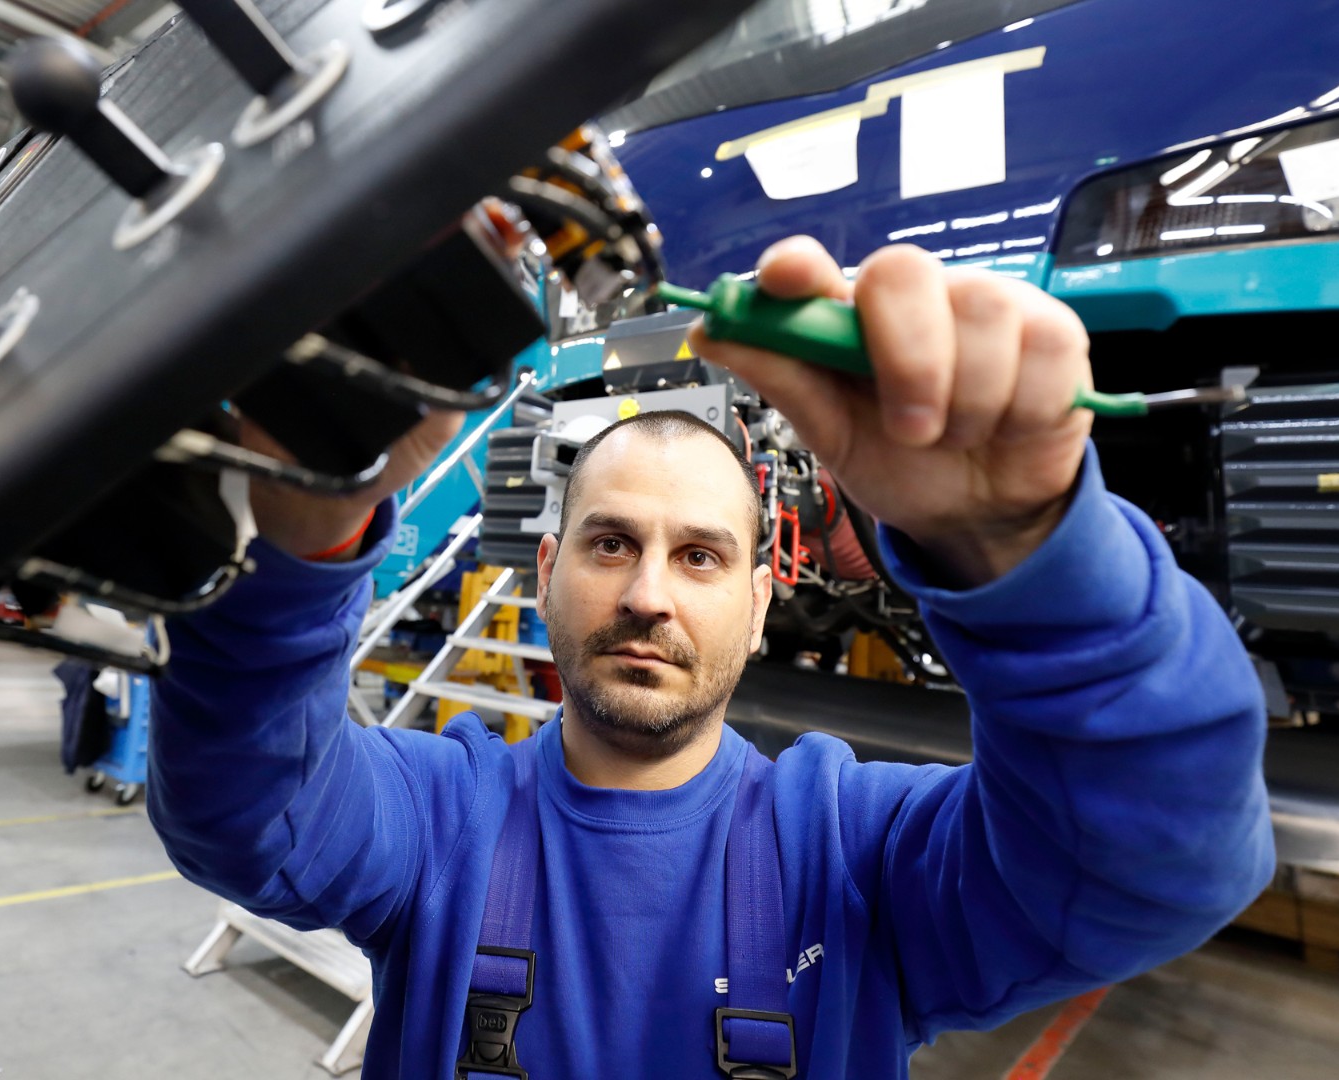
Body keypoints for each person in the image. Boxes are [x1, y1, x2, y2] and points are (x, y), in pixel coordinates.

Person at [147, 237, 1274, 1079]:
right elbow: (249, 811)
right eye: (610, 545)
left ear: (762, 595)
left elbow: (1153, 863)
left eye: (699, 556)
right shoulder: (441, 816)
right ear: (544, 572)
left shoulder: (858, 854)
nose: (648, 594)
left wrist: (1030, 558)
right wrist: (306, 541)